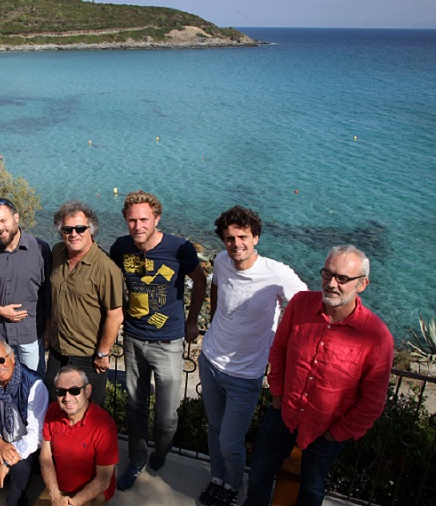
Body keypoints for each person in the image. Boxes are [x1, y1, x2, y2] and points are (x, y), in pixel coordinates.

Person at [243, 245, 394, 506]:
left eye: (343, 279)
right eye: (327, 274)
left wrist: (336, 434)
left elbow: (372, 401)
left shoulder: (377, 336)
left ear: (362, 284)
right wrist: (277, 397)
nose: (332, 283)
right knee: (259, 475)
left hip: (326, 432)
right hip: (283, 414)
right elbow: (278, 352)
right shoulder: (300, 304)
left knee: (311, 491)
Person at [196, 206, 307, 506]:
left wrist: (282, 344)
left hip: (245, 374)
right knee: (215, 429)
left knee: (231, 442)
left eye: (242, 236)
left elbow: (306, 307)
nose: (236, 244)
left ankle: (233, 484)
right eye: (229, 238)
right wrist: (216, 322)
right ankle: (217, 478)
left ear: (255, 237)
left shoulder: (277, 273)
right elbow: (217, 290)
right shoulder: (220, 261)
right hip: (210, 361)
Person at [109, 190, 206, 490]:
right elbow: (110, 280)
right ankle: (137, 459)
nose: (138, 226)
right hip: (134, 339)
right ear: (125, 220)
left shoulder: (180, 248)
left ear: (156, 219)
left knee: (166, 417)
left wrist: (192, 321)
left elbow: (200, 280)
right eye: (132, 220)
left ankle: (161, 452)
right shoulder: (121, 247)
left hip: (168, 344)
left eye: (144, 220)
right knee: (135, 408)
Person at [46, 200, 123, 407]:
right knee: (56, 406)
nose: (74, 234)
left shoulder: (106, 268)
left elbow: (115, 314)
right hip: (57, 350)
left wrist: (103, 352)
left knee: (87, 414)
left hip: (87, 357)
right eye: (67, 229)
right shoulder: (57, 253)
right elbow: (54, 298)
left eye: (80, 228)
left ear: (91, 230)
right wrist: (47, 331)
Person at [0, 197, 51, 375]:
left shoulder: (39, 249)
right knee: (2, 378)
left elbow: (48, 293)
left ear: (16, 218)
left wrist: (48, 328)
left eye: (3, 221)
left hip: (30, 331)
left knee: (34, 381)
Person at [0, 339, 48, 506]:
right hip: (4, 440)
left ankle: (20, 486)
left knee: (16, 486)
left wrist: (6, 463)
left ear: (13, 358)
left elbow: (36, 436)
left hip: (29, 446)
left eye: (1, 360)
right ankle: (12, 472)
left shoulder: (34, 385)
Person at [37, 365, 119, 505]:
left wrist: (73, 503)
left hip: (91, 493)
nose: (67, 398)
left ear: (87, 391)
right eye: (61, 391)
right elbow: (45, 457)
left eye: (74, 391)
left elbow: (103, 480)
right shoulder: (53, 411)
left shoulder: (104, 426)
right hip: (59, 488)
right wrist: (55, 494)